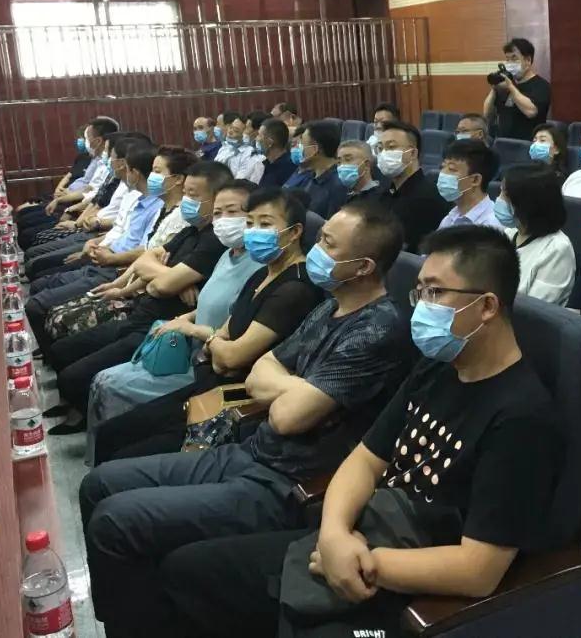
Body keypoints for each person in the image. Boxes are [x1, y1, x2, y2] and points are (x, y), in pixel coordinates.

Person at [156, 225, 560, 638]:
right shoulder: (436, 369)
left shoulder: (522, 418)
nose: (422, 308)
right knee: (189, 571)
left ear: (487, 306)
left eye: (435, 293)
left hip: (412, 583)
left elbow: (479, 570)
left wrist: (362, 561)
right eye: (419, 292)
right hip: (362, 537)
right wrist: (334, 534)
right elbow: (365, 461)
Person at [78, 200, 414, 638]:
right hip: (251, 448)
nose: (316, 249)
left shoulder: (378, 329)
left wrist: (287, 391)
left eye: (328, 244)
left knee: (116, 521)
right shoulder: (328, 308)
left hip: (289, 481)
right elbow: (260, 371)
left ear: (364, 266)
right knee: (99, 484)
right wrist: (295, 388)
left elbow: (290, 416)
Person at [86, 184, 324, 465]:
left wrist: (212, 342)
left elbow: (233, 358)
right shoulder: (263, 274)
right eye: (250, 223)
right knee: (112, 433)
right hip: (208, 377)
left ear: (295, 232)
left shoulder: (295, 289)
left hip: (233, 399)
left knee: (123, 453)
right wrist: (218, 345)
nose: (253, 232)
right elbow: (225, 335)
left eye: (265, 224)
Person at [46, 161, 233, 434]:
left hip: (159, 327)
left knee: (75, 374)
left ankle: (85, 417)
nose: (186, 201)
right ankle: (77, 407)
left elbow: (162, 284)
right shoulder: (191, 230)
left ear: (215, 199)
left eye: (193, 195)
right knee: (63, 350)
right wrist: (170, 276)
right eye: (186, 193)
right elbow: (146, 259)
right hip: (139, 309)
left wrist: (166, 277)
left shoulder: (215, 241)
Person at [23, 144, 168, 334]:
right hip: (102, 251)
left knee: (40, 301)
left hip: (115, 266)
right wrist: (95, 243)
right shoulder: (137, 198)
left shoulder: (158, 206)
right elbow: (118, 229)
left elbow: (145, 250)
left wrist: (109, 256)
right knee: (39, 276)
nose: (113, 163)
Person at [18, 117, 119, 249]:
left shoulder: (112, 173)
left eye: (86, 138)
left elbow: (93, 198)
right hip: (79, 212)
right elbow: (93, 195)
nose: (84, 142)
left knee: (32, 238)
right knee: (25, 220)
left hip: (86, 220)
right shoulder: (100, 163)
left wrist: (73, 215)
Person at [497, 163, 575, 305]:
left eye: (505, 195)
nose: (499, 199)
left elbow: (534, 309)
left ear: (527, 203)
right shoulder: (509, 233)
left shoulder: (557, 249)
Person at [376, 120, 449, 252]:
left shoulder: (427, 198)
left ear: (413, 154)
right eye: (380, 149)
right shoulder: (385, 193)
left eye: (391, 147)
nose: (383, 154)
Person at [482, 38, 551, 140]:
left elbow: (531, 112)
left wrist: (511, 87)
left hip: (526, 143)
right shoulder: (505, 85)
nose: (510, 63)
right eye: (507, 59)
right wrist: (494, 89)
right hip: (503, 142)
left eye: (514, 59)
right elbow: (487, 114)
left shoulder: (541, 85)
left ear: (528, 60)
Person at [284, 119, 348, 219]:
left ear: (315, 149)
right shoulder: (310, 177)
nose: (298, 147)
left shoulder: (338, 185)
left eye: (302, 143)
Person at [436, 138, 501, 230]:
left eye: (451, 169)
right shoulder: (450, 219)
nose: (443, 173)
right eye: (442, 167)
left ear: (475, 180)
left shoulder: (492, 225)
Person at [253, 117, 298, 188]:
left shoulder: (288, 168)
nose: (256, 139)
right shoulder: (269, 164)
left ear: (270, 142)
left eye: (259, 136)